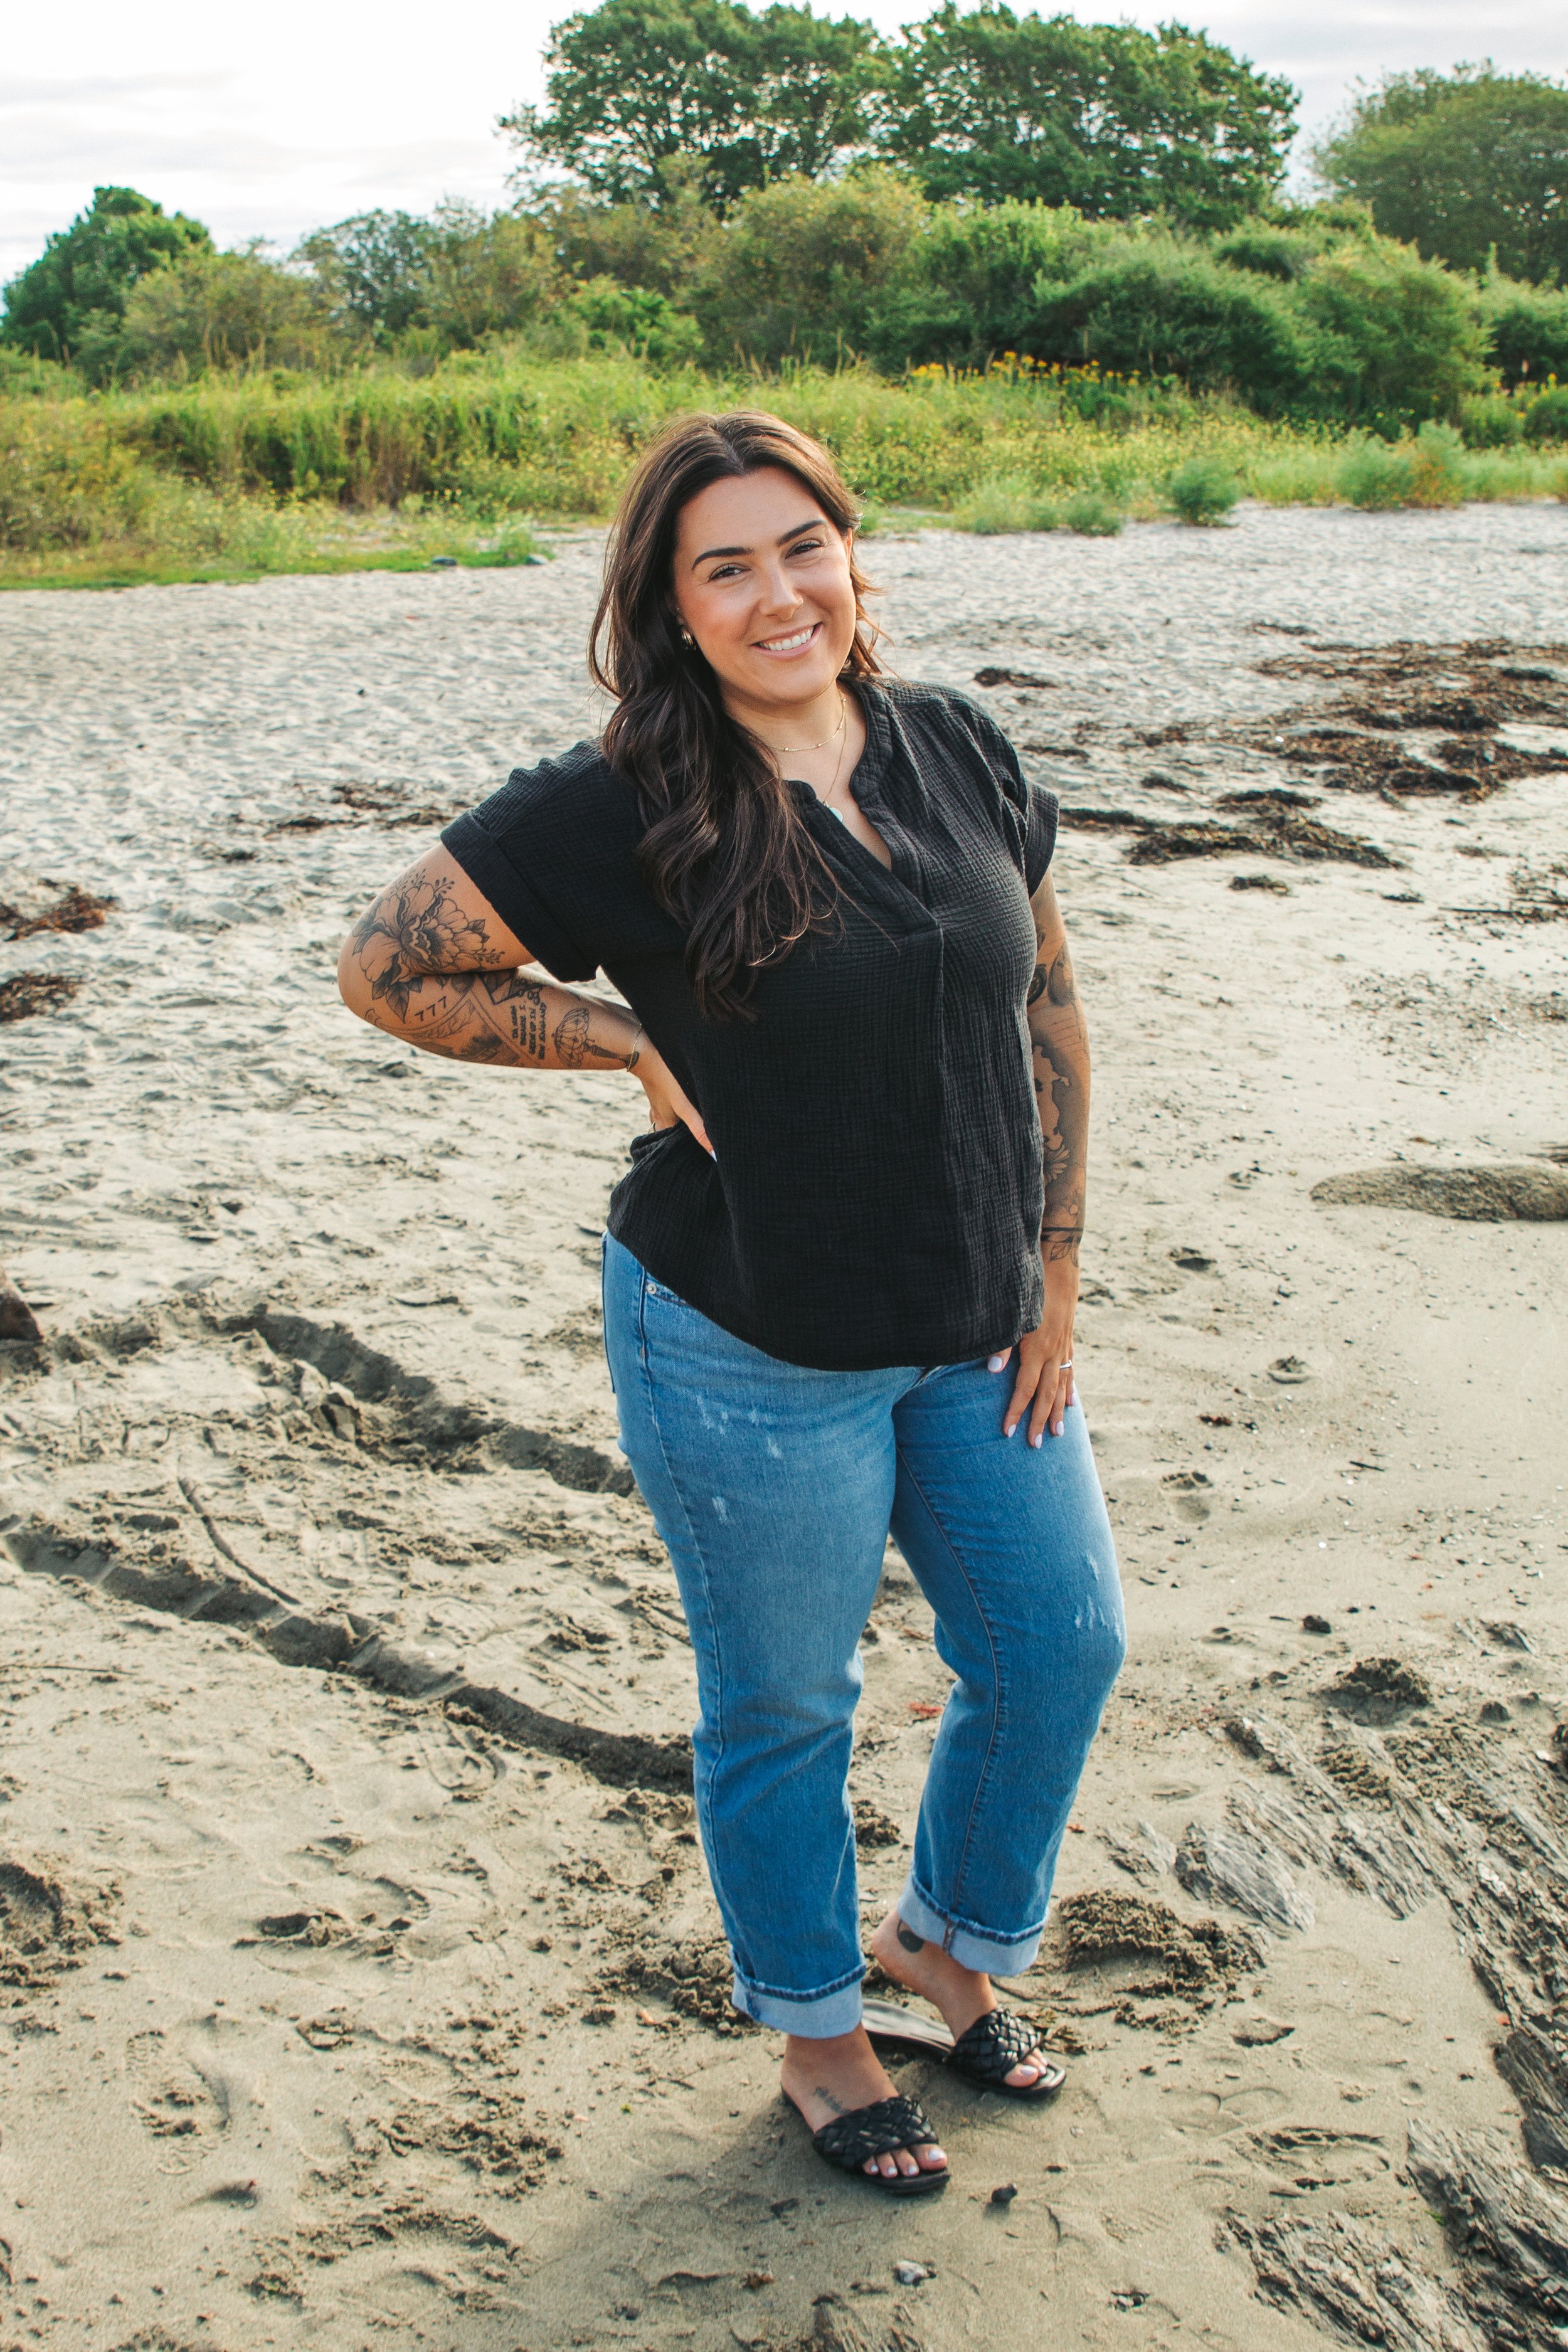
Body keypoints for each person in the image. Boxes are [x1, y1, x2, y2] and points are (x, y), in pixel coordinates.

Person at [338, 410, 1125, 2200]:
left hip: (978, 1313)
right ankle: (821, 2035)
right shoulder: (616, 800)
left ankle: (945, 1944)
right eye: (726, 567)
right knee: (783, 1701)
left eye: (802, 548)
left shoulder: (954, 745)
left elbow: (1051, 1003)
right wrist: (615, 1034)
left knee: (1057, 1644)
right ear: (670, 606)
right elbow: (388, 966)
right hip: (743, 1332)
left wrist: (1056, 1265)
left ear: (853, 555)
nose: (779, 594)